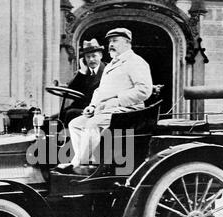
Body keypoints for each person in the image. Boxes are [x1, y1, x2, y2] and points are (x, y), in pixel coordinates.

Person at [55, 28, 153, 175]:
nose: (111, 45)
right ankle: (81, 161)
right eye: (109, 42)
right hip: (106, 110)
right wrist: (92, 106)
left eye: (115, 41)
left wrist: (117, 102)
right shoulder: (112, 65)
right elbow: (99, 91)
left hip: (129, 111)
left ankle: (82, 165)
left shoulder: (136, 62)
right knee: (74, 124)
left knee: (92, 124)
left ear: (127, 43)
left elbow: (144, 90)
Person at [62, 39, 106, 126]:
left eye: (94, 56)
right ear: (84, 59)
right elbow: (69, 91)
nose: (91, 59)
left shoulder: (107, 70)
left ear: (100, 55)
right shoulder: (82, 72)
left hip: (97, 110)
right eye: (88, 57)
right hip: (80, 108)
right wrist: (82, 72)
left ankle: (68, 138)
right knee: (53, 119)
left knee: (69, 114)